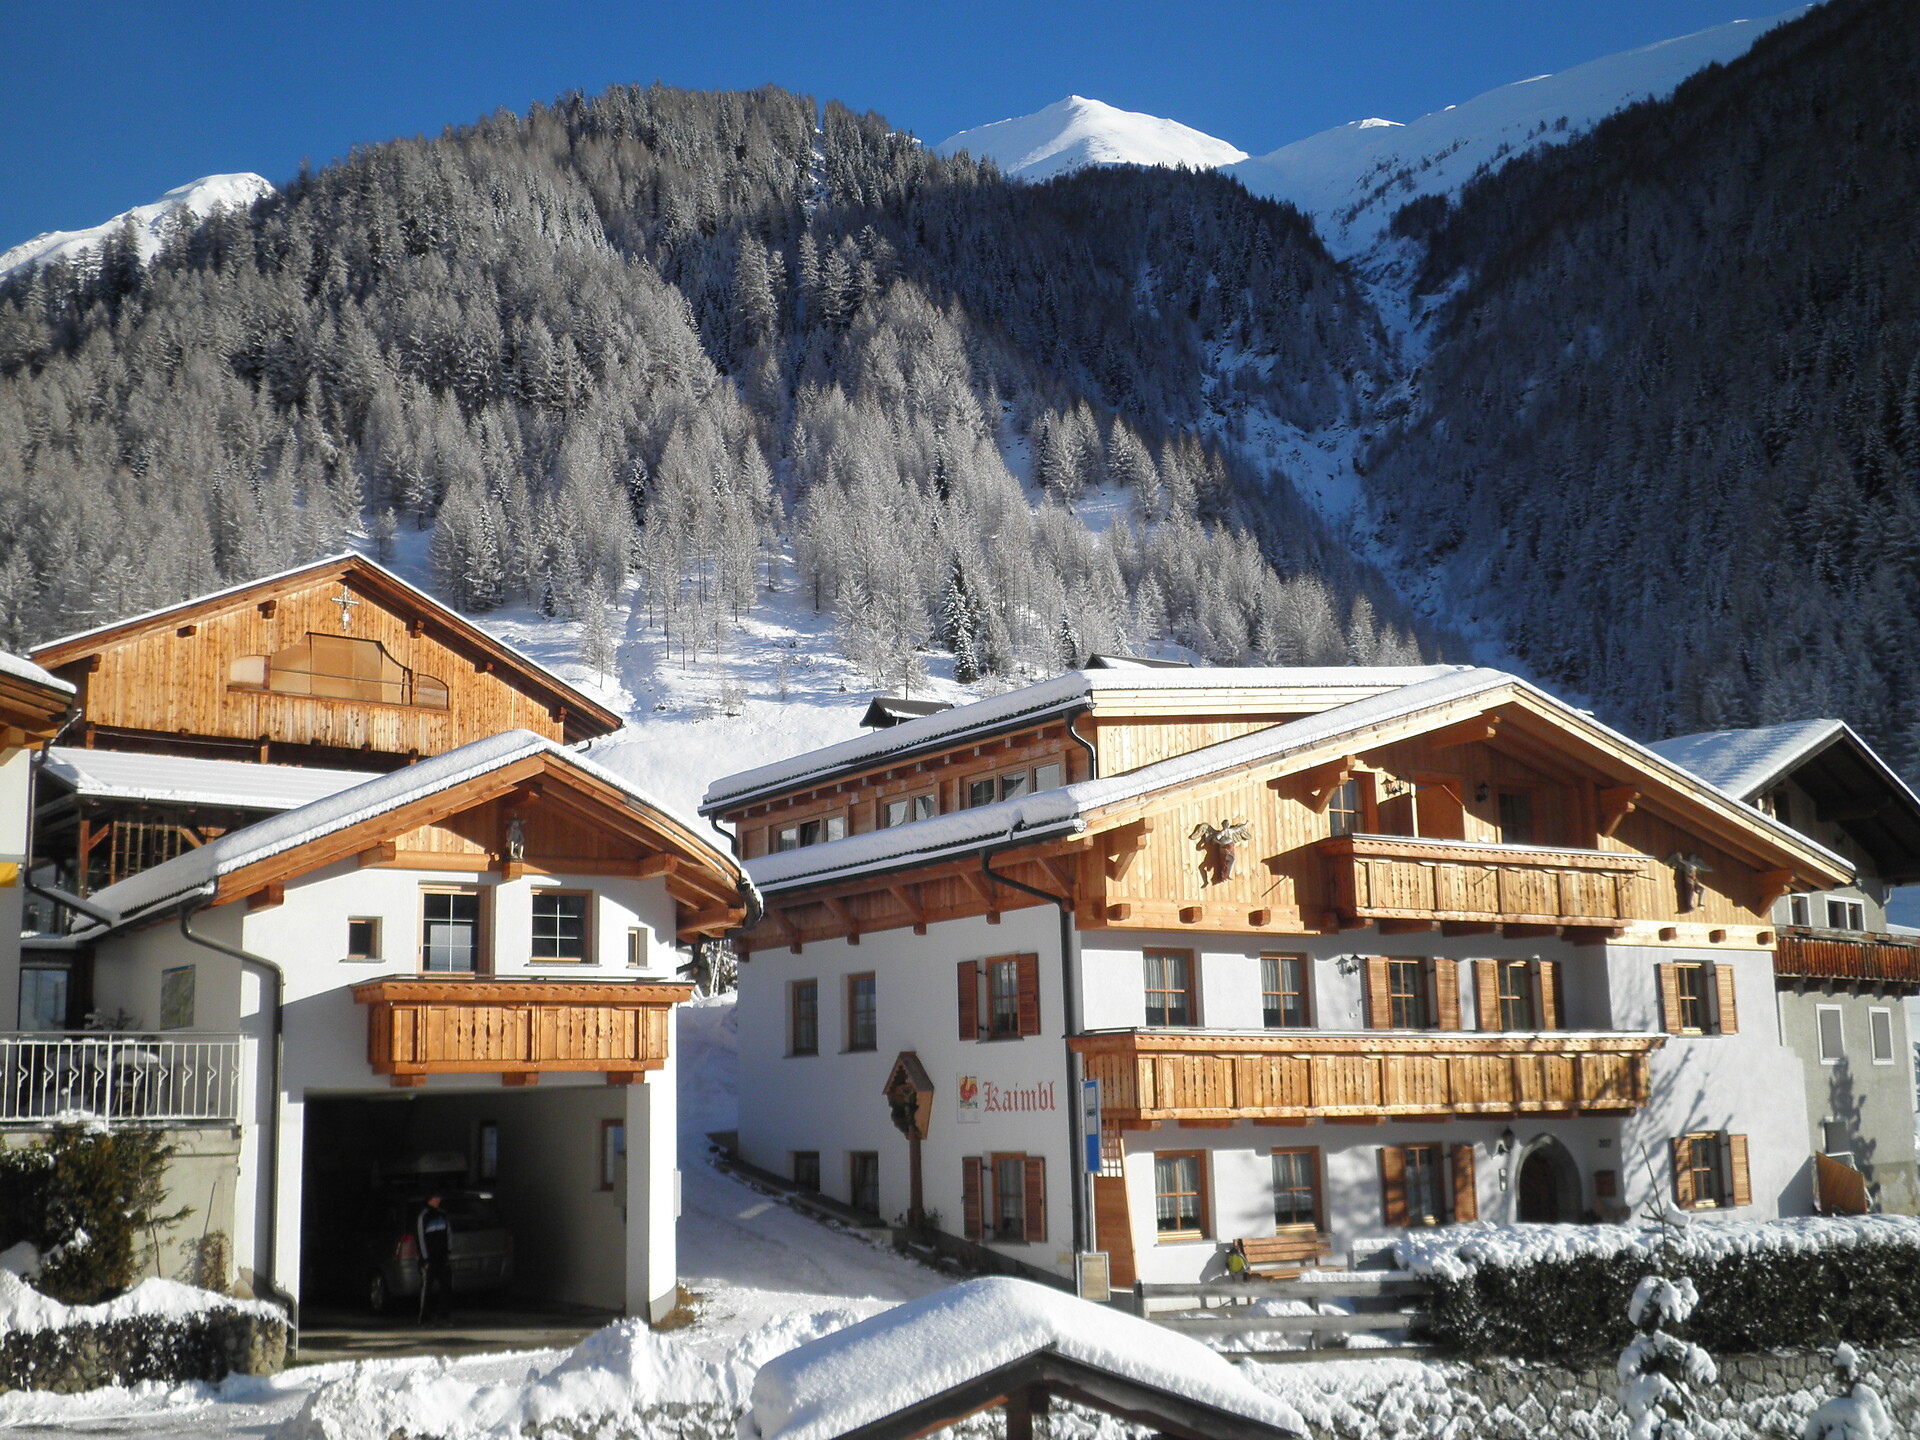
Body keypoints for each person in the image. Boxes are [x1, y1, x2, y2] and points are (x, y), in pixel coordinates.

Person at [415, 1194, 453, 1324]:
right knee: (427, 1287)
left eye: (439, 1198)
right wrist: (425, 1259)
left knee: (446, 1285)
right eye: (435, 1198)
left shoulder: (442, 1215)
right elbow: (421, 1238)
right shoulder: (423, 1216)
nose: (438, 1200)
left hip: (442, 1257)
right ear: (429, 1200)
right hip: (429, 1258)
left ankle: (443, 1315)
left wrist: (448, 1252)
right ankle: (425, 1317)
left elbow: (448, 1233)